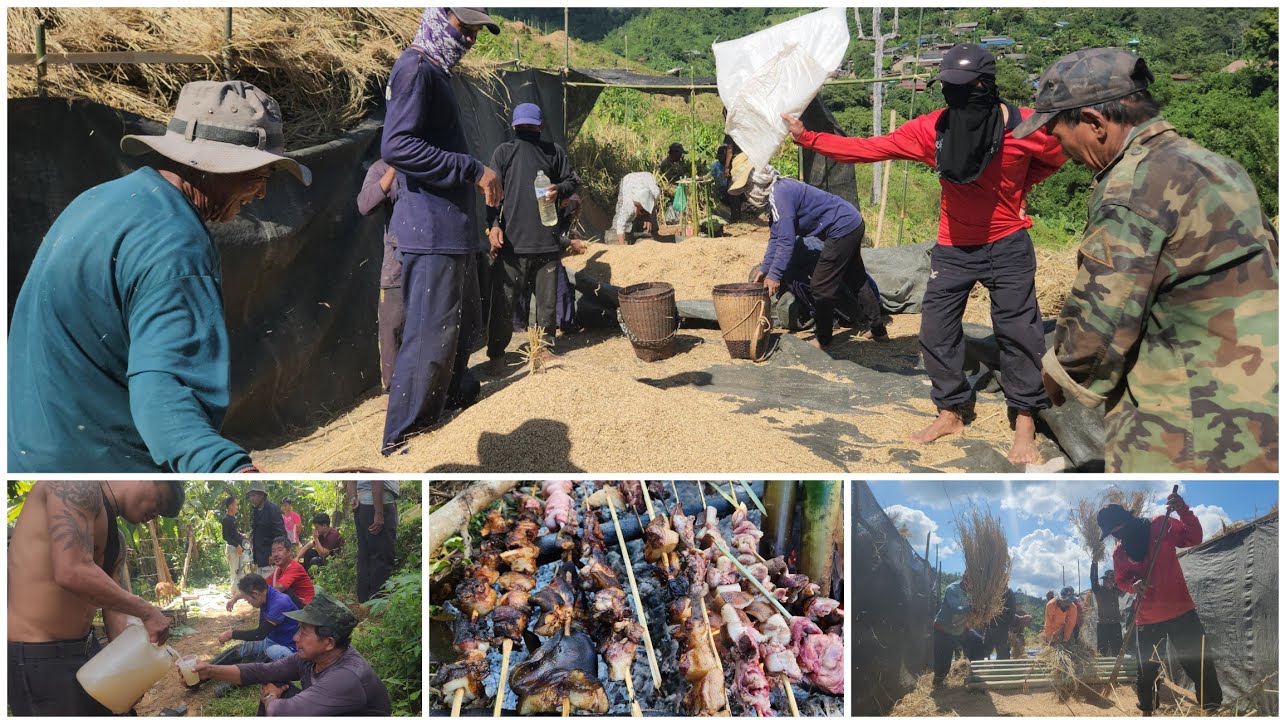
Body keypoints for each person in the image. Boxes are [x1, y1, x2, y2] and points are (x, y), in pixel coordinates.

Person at [782, 43, 1068, 466]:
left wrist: (1019, 190)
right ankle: (951, 411)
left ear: (984, 86)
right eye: (947, 88)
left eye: (960, 87)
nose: (951, 96)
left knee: (1019, 331)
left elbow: (1057, 157)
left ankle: (1025, 421)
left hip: (1008, 242)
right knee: (935, 330)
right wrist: (807, 137)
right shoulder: (934, 130)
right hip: (953, 245)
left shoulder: (1027, 128)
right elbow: (868, 148)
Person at [7, 80, 311, 473]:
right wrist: (226, 469)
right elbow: (165, 392)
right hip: (99, 469)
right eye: (261, 175)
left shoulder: (98, 200)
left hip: (29, 453)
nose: (262, 193)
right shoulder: (176, 245)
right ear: (219, 166)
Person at [1014, 47, 1279, 473]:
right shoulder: (1217, 166)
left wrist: (1057, 375)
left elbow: (1102, 315)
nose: (1063, 150)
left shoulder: (1133, 187)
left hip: (1191, 420)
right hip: (1261, 398)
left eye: (1060, 135)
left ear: (1095, 124)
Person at [380, 8, 502, 454]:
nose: (468, 39)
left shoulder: (436, 73)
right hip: (428, 230)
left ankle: (444, 413)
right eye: (462, 27)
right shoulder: (415, 69)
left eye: (474, 32)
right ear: (438, 16)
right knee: (428, 336)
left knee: (456, 330)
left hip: (449, 230)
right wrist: (471, 168)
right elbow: (396, 145)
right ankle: (402, 439)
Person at [8, 481, 183, 715]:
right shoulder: (76, 484)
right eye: (160, 502)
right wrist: (148, 610)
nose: (155, 516)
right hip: (38, 657)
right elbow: (72, 571)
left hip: (86, 650)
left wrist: (130, 670)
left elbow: (114, 609)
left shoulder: (117, 541)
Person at [738, 161, 887, 349]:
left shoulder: (779, 195)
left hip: (842, 229)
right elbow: (775, 238)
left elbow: (786, 241)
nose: (747, 195)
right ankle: (878, 330)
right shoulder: (780, 191)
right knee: (855, 277)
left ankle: (824, 339)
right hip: (852, 221)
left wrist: (775, 275)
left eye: (747, 189)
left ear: (756, 185)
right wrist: (765, 268)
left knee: (820, 286)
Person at [1098, 490, 1222, 713]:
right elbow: (1121, 580)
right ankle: (1147, 709)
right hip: (1147, 619)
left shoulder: (1160, 525)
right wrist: (1133, 585)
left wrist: (1183, 509)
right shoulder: (1119, 553)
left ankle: (1212, 708)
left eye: (1115, 531)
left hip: (1181, 610)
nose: (1116, 537)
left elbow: (1194, 537)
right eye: (1113, 535)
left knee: (1199, 662)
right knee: (1146, 670)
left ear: (1124, 522)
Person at [485, 102, 583, 375]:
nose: (528, 130)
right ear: (516, 127)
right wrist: (493, 225)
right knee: (504, 304)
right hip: (512, 243)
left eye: (531, 125)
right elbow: (491, 195)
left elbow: (572, 181)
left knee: (546, 303)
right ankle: (496, 354)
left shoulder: (553, 152)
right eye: (524, 126)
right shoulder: (504, 153)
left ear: (539, 127)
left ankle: (544, 348)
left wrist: (558, 189)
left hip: (546, 241)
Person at [193, 593, 391, 715]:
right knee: (278, 684)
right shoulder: (313, 657)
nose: (296, 637)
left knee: (277, 699)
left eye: (304, 632)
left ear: (329, 643)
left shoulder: (346, 677)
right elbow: (261, 671)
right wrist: (210, 671)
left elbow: (282, 713)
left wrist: (270, 697)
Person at [355, 159, 404, 391]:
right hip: (396, 268)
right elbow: (365, 204)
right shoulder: (381, 168)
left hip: (428, 262)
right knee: (391, 328)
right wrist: (394, 169)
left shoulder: (427, 159)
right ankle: (393, 391)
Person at [212, 574, 298, 665]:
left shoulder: (279, 602)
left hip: (289, 647)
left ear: (255, 594)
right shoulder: (265, 593)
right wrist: (234, 599)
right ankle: (208, 669)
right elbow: (244, 593)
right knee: (242, 649)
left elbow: (259, 634)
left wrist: (231, 634)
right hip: (272, 640)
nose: (248, 602)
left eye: (247, 600)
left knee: (270, 653)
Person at [347, 480, 400, 602]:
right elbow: (376, 478)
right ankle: (378, 601)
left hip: (362, 506)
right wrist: (379, 512)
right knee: (382, 555)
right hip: (378, 503)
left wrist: (353, 498)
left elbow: (351, 478)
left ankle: (364, 600)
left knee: (365, 554)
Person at [932, 575, 983, 687]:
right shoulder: (952, 589)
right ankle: (938, 683)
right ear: (965, 579)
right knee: (943, 664)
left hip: (960, 628)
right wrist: (971, 608)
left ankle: (974, 677)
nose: (973, 587)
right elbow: (956, 609)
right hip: (944, 629)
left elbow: (972, 612)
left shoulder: (973, 593)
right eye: (972, 583)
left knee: (977, 642)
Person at [608, 171, 661, 244]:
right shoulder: (628, 205)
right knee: (620, 213)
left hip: (646, 178)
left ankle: (652, 233)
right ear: (636, 206)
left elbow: (651, 204)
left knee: (651, 218)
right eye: (641, 210)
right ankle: (613, 234)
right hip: (628, 180)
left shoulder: (655, 193)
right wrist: (622, 246)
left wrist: (648, 216)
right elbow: (620, 225)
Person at [248, 482, 286, 577]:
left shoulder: (272, 509)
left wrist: (274, 554)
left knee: (270, 587)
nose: (251, 499)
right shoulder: (256, 510)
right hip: (260, 556)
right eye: (250, 496)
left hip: (270, 558)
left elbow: (280, 534)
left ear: (261, 495)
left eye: (253, 495)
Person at [267, 538, 315, 608]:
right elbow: (263, 584)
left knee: (282, 593)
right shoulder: (278, 571)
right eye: (273, 551)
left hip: (306, 608)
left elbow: (279, 588)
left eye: (280, 550)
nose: (275, 554)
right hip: (296, 605)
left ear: (289, 551)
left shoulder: (294, 567)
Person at [1090, 561, 1124, 656]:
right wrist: (1094, 563)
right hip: (1103, 625)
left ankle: (1116, 669)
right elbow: (1093, 579)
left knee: (1117, 650)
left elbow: (1123, 584)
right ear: (1104, 580)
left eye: (1112, 581)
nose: (1109, 582)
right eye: (1107, 580)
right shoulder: (1098, 589)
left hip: (1115, 624)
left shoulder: (1116, 590)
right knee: (1102, 651)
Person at [984, 588, 1020, 660]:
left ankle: (987, 668)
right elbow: (1012, 612)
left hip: (991, 626)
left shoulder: (989, 589)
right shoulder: (1008, 592)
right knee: (1002, 652)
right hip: (1001, 627)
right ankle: (999, 669)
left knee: (986, 651)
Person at [223, 496, 247, 587]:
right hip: (233, 548)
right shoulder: (226, 519)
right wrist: (237, 545)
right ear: (230, 506)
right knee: (234, 570)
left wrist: (241, 535)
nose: (237, 507)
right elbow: (226, 536)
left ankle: (238, 590)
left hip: (238, 548)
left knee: (240, 570)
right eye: (236, 504)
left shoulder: (232, 518)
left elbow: (233, 533)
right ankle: (234, 592)